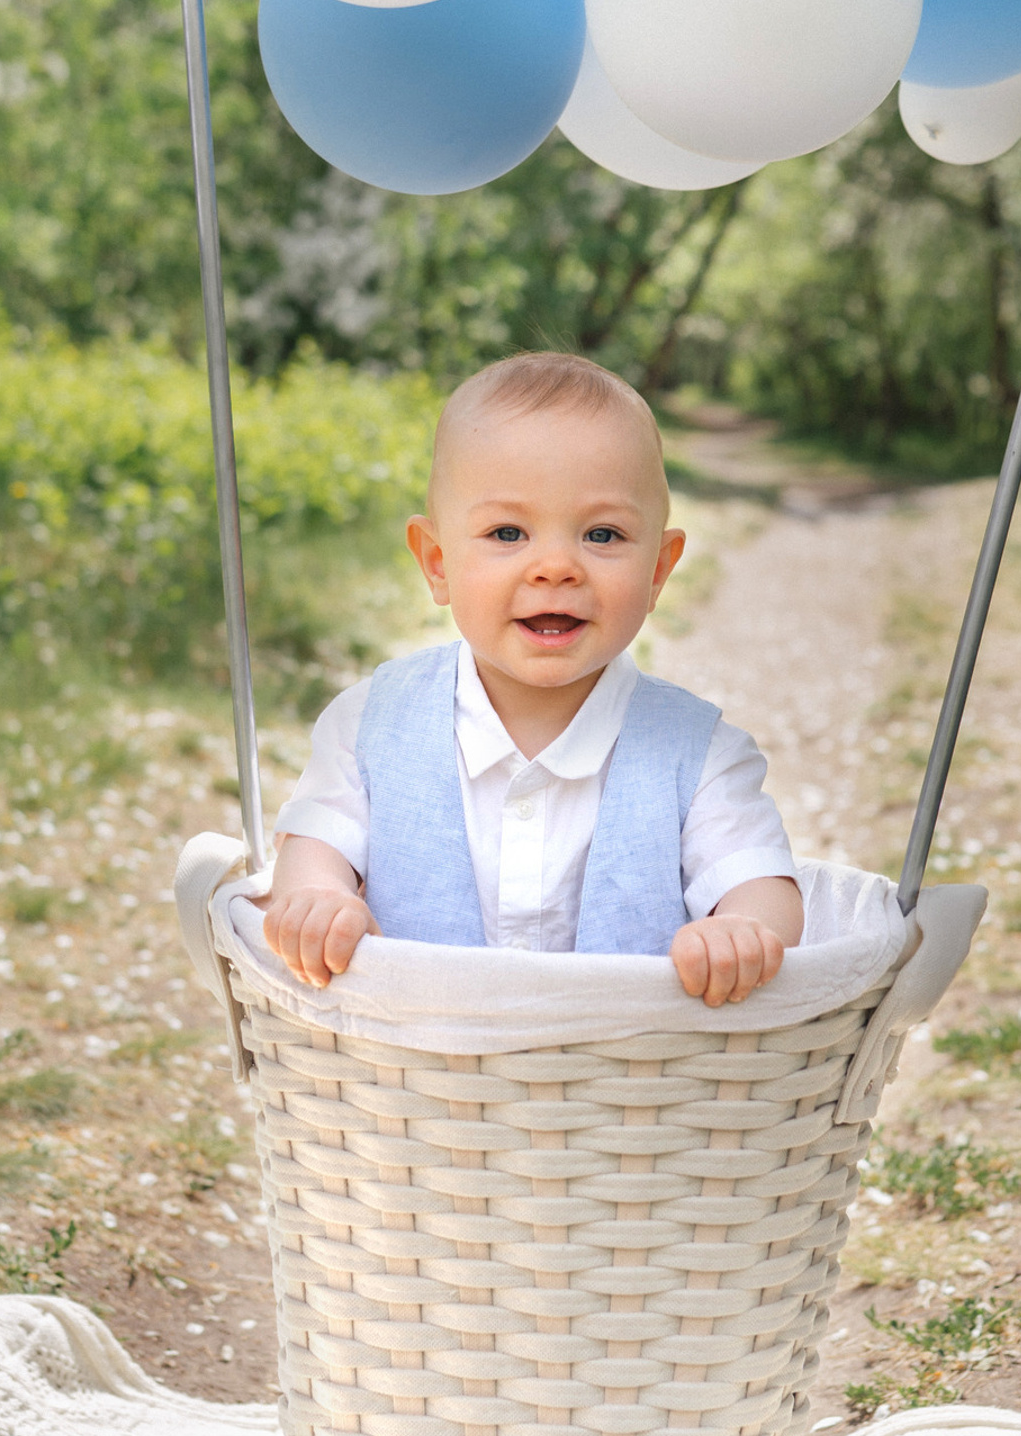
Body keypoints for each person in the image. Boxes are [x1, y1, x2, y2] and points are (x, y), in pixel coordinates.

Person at [258, 351, 802, 1007]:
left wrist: (743, 929)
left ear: (659, 570)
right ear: (436, 563)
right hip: (410, 1074)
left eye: (602, 534)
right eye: (508, 532)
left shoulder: (701, 752)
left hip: (632, 1086)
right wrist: (319, 899)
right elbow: (313, 845)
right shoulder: (370, 722)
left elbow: (761, 881)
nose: (555, 567)